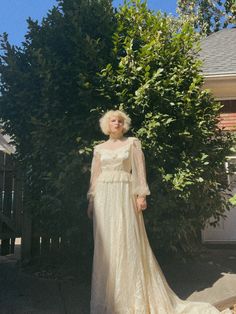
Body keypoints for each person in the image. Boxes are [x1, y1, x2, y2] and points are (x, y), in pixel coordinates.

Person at [87, 109, 231, 314]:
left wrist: (141, 195)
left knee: (128, 241)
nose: (116, 123)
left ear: (124, 124)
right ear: (106, 125)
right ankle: (109, 299)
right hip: (104, 197)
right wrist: (92, 200)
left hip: (124, 195)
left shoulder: (132, 143)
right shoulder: (99, 149)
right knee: (106, 245)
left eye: (120, 121)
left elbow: (139, 171)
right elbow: (95, 176)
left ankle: (130, 299)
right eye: (113, 120)